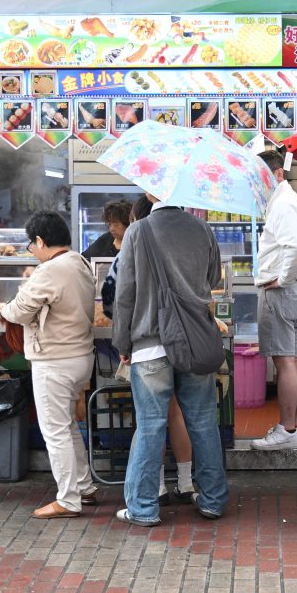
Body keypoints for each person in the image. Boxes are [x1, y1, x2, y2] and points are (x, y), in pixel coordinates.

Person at [113, 198, 228, 526]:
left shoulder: (138, 231)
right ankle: (213, 500)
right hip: (194, 342)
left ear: (151, 194)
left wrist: (123, 342)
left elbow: (125, 295)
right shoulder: (202, 228)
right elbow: (212, 279)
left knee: (150, 425)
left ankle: (144, 509)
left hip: (150, 344)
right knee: (204, 422)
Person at [0, 212, 98, 519]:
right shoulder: (79, 262)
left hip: (56, 360)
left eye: (32, 245)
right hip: (80, 355)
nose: (33, 251)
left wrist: (3, 309)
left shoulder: (50, 270)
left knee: (55, 431)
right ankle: (84, 486)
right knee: (67, 426)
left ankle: (68, 500)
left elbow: (19, 309)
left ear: (40, 241)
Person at [250, 149, 297, 451]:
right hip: (289, 290)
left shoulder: (283, 203)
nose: (258, 184)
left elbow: (296, 247)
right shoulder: (287, 200)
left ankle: (287, 429)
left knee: (284, 361)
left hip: (280, 290)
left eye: (261, 177)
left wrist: (283, 279)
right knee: (294, 360)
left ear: (277, 174)